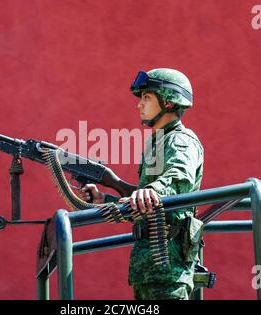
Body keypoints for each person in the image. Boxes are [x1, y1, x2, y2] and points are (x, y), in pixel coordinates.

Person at [77, 68, 204, 300]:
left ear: (168, 102)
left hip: (169, 268)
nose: (139, 104)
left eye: (147, 97)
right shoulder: (156, 143)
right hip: (148, 268)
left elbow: (179, 178)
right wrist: (105, 199)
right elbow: (147, 202)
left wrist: (150, 191)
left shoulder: (180, 140)